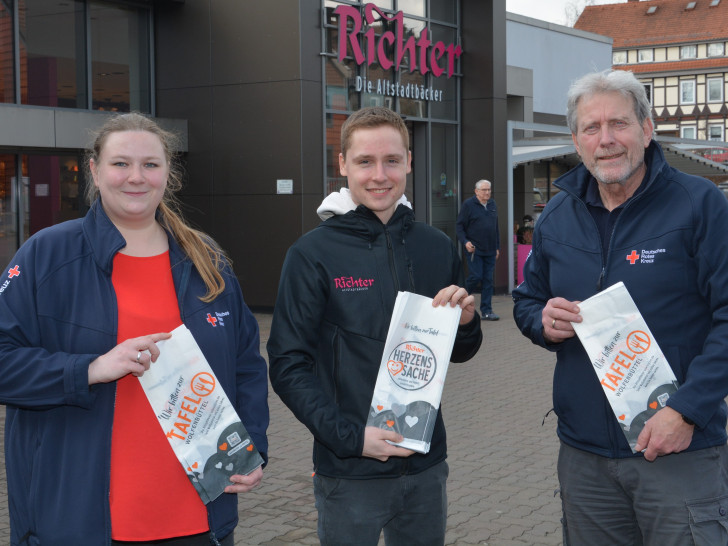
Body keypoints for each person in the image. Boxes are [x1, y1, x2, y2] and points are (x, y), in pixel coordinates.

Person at [0, 113, 269, 545]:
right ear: (94, 170)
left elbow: (246, 365)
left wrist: (252, 445)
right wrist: (89, 368)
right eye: (121, 163)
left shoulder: (206, 257)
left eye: (150, 164)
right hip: (81, 522)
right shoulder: (46, 255)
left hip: (200, 520)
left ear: (168, 172)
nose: (136, 177)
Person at [513, 69, 728, 546]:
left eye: (620, 124)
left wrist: (687, 411)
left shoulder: (700, 204)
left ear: (647, 130)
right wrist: (541, 321)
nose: (606, 140)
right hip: (585, 457)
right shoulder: (556, 215)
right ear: (576, 139)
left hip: (679, 448)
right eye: (592, 128)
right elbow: (528, 299)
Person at [267, 106, 482, 546]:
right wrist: (351, 439)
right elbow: (288, 365)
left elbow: (459, 351)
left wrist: (467, 322)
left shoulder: (437, 247)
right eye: (365, 161)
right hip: (349, 470)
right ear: (343, 164)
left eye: (391, 160)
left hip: (424, 466)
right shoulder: (311, 254)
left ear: (408, 161)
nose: (379, 175)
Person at [456, 179, 500, 320]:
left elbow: (496, 228)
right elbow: (459, 226)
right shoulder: (469, 205)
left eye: (489, 190)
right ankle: (458, 299)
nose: (487, 192)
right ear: (476, 191)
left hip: (490, 250)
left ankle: (487, 311)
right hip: (474, 250)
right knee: (476, 276)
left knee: (488, 280)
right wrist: (465, 242)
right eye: (484, 190)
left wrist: (497, 247)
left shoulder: (492, 204)